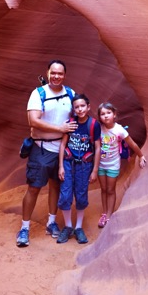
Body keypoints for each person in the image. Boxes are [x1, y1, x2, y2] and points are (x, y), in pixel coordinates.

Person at [16, 60, 78, 247]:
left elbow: (77, 117)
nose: (56, 76)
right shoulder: (38, 93)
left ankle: (51, 223)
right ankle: (25, 227)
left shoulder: (70, 94)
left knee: (55, 186)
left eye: (60, 73)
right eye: (53, 73)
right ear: (48, 73)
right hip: (42, 149)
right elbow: (33, 121)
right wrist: (60, 128)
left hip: (63, 150)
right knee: (34, 187)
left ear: (64, 75)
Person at [57, 94, 101, 244]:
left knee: (81, 195)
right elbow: (63, 144)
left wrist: (95, 170)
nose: (80, 109)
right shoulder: (70, 123)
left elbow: (97, 147)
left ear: (88, 107)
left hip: (84, 165)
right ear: (73, 109)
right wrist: (61, 166)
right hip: (68, 164)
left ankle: (78, 227)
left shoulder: (93, 124)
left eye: (82, 106)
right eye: (77, 107)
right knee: (65, 195)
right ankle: (68, 226)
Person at [97, 102, 146, 228]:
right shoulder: (99, 128)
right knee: (103, 189)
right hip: (101, 164)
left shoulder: (119, 129)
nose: (106, 116)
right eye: (102, 114)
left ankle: (109, 215)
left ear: (114, 114)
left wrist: (141, 156)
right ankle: (104, 213)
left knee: (110, 189)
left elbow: (132, 144)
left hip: (113, 164)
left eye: (108, 113)